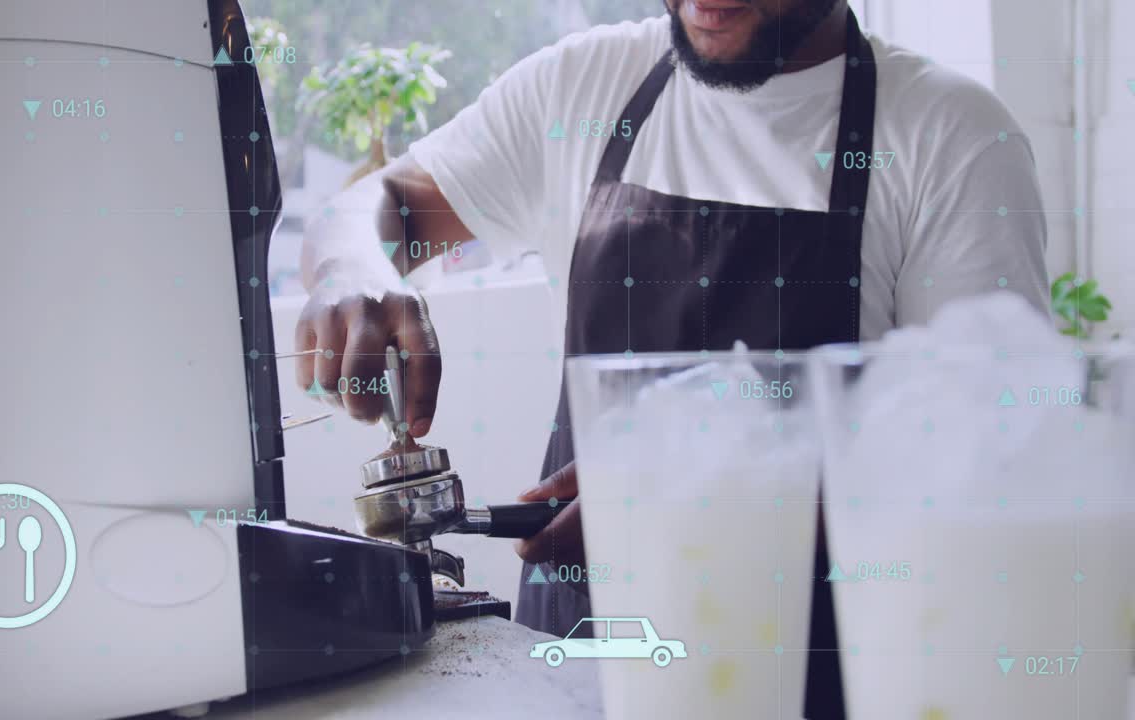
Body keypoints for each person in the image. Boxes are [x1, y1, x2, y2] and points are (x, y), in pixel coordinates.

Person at [295, 0, 1047, 715]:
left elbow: (985, 477)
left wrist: (723, 507)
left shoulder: (951, 138)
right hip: (576, 671)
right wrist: (353, 270)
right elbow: (383, 202)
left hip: (808, 681)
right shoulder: (586, 84)